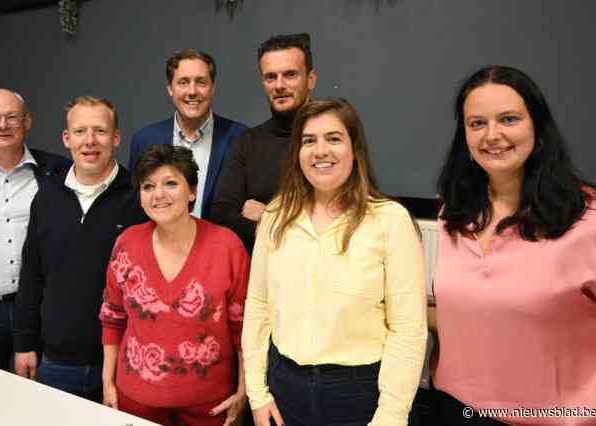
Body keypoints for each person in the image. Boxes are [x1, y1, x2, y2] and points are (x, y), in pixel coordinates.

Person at [432, 65, 596, 425]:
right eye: (477, 123)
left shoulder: (592, 220)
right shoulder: (455, 213)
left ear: (537, 126)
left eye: (508, 119)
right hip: (454, 410)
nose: (492, 135)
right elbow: (469, 309)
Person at [242, 98, 427, 426]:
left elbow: (408, 330)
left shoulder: (390, 221)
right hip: (285, 387)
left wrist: (391, 416)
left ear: (354, 148)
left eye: (334, 138)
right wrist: (258, 393)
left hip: (358, 395)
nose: (320, 150)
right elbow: (258, 306)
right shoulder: (275, 216)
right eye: (309, 140)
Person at [100, 144, 250, 426]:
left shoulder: (227, 246)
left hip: (210, 408)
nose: (159, 194)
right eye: (148, 186)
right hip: (135, 402)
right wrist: (108, 381)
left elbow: (244, 328)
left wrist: (244, 390)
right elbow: (112, 317)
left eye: (171, 183)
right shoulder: (126, 244)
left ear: (192, 190)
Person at [13, 96, 146, 401]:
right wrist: (24, 344)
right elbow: (32, 275)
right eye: (79, 131)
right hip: (55, 361)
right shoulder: (46, 197)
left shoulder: (138, 199)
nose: (90, 141)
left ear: (115, 138)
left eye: (99, 131)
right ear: (66, 138)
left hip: (122, 361)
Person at [0, 89, 70, 370]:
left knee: (39, 394)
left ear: (27, 121)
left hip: (40, 309)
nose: (2, 125)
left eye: (12, 117)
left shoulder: (58, 171)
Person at [211, 33, 317, 251]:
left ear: (311, 79)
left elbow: (335, 216)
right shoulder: (248, 142)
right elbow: (221, 214)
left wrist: (267, 217)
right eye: (270, 77)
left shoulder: (331, 140)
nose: (279, 85)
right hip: (262, 275)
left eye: (290, 75)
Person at [129, 49, 248, 219]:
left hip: (220, 244)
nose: (192, 91)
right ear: (170, 88)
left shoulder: (241, 138)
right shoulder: (144, 140)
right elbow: (137, 207)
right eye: (183, 82)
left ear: (212, 88)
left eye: (201, 82)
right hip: (159, 243)